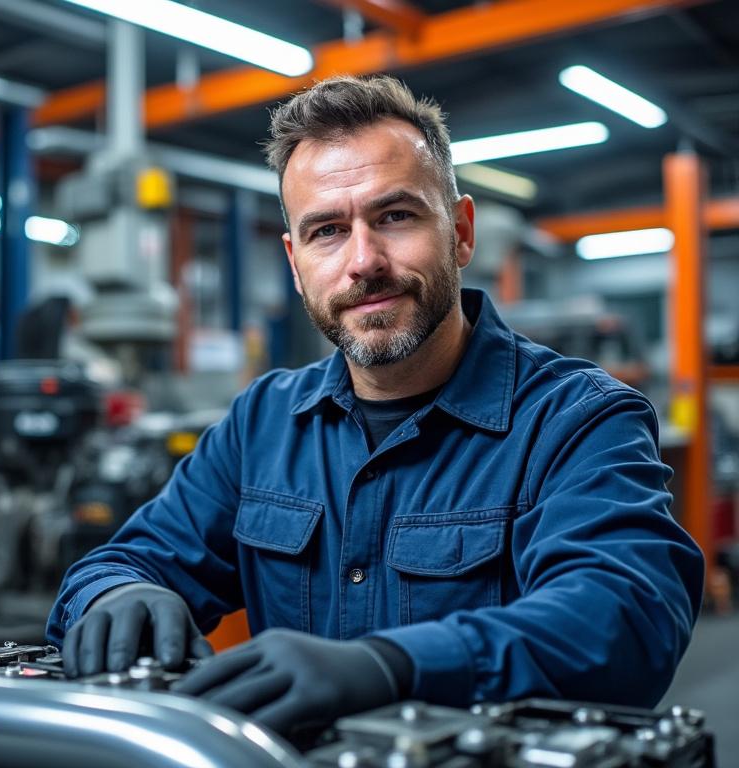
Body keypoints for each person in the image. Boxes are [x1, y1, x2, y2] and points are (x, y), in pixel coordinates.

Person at [45, 75, 703, 738]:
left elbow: (624, 616)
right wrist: (117, 594)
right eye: (327, 231)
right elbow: (126, 559)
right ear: (296, 263)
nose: (363, 261)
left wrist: (394, 668)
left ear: (461, 232)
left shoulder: (576, 419)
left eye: (395, 216)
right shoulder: (263, 424)